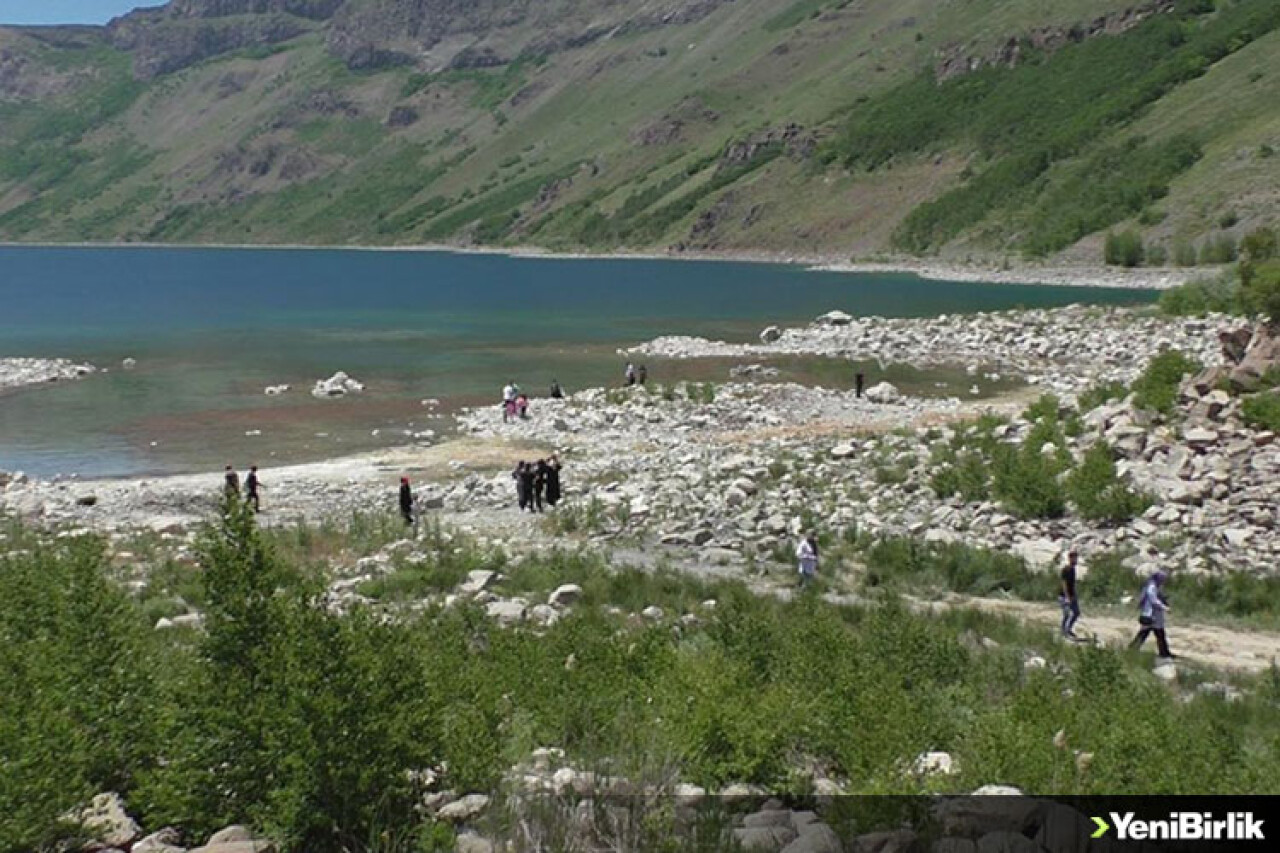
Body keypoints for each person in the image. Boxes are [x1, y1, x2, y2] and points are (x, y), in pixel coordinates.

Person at [1130, 570, 1175, 659]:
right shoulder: (1152, 587)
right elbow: (1154, 601)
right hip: (1150, 614)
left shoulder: (1155, 587)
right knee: (1152, 633)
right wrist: (1165, 608)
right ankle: (1164, 653)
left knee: (1154, 633)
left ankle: (1164, 652)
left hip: (1153, 615)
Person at [1059, 549, 1080, 640]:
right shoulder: (1066, 569)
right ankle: (1063, 631)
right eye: (1074, 558)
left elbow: (1072, 584)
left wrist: (1074, 594)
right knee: (1066, 614)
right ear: (1070, 558)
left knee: (1076, 613)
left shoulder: (1073, 569)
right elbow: (1064, 584)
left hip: (1071, 595)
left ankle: (1068, 629)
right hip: (1064, 596)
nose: (1076, 560)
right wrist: (1067, 597)